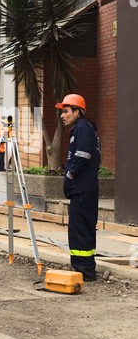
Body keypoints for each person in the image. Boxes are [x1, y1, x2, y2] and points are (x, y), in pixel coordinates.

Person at [55, 94, 101, 281]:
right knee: (84, 229)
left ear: (76, 112)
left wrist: (70, 174)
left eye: (65, 111)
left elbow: (82, 155)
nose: (62, 116)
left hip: (81, 189)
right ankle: (85, 267)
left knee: (79, 231)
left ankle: (83, 270)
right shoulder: (86, 128)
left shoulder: (81, 127)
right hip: (86, 189)